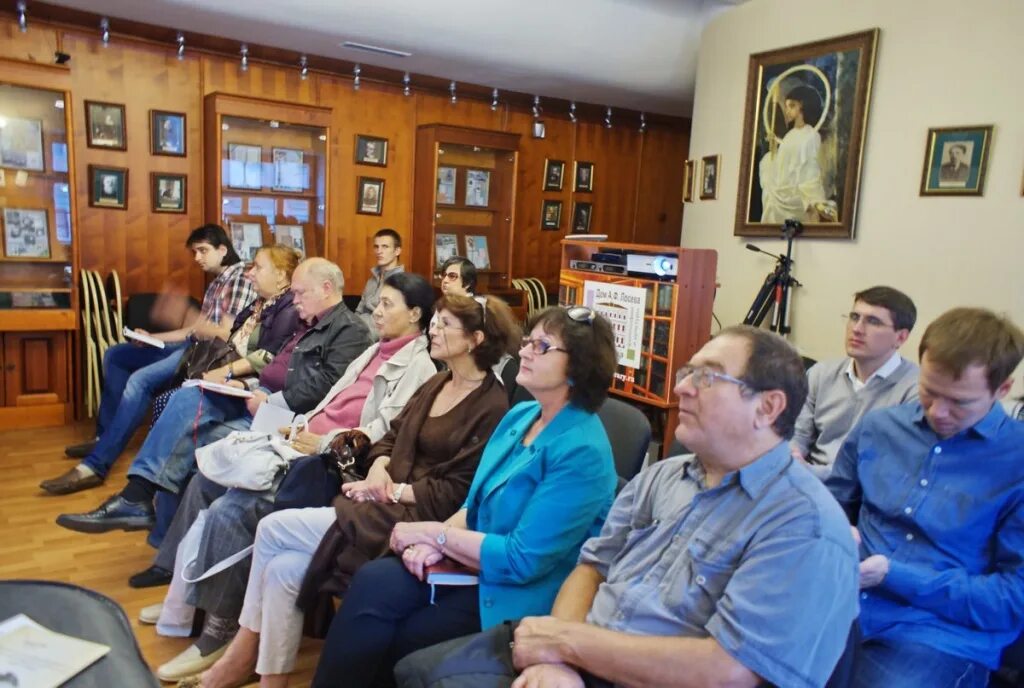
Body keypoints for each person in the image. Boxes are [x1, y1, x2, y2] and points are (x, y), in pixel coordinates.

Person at [397, 325, 859, 688]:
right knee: (414, 669)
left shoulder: (802, 524)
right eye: (687, 374)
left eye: (708, 376)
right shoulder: (663, 476)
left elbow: (729, 671)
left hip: (645, 673)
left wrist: (567, 645)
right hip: (585, 650)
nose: (683, 390)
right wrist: (562, 656)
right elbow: (591, 567)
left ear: (768, 407)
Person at [162, 293, 519, 686]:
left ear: (476, 340)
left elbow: (458, 492)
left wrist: (390, 491)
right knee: (282, 571)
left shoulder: (492, 406)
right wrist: (380, 469)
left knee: (272, 528)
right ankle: (270, 680)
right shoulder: (438, 383)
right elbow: (389, 438)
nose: (433, 329)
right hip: (380, 501)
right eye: (435, 321)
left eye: (445, 324)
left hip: (412, 521)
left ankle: (239, 654)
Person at [309, 305, 619, 688]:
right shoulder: (521, 415)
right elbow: (474, 504)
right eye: (527, 341)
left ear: (579, 367)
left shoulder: (581, 450)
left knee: (404, 635)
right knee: (373, 580)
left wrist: (436, 537)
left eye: (541, 346)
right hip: (471, 564)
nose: (523, 351)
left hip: (515, 591)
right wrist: (440, 541)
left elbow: (523, 561)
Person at [55, 257, 371, 534]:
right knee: (186, 400)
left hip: (286, 418)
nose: (295, 298)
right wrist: (247, 386)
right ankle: (142, 506)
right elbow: (274, 366)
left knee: (191, 432)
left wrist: (265, 397)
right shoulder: (309, 323)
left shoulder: (349, 329)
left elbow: (327, 385)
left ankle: (141, 505)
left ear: (326, 288)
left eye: (301, 292)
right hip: (258, 397)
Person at [826, 307, 1024, 688]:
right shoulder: (880, 428)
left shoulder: (1016, 461)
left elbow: (1013, 599)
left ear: (1002, 390)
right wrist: (836, 529)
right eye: (928, 392)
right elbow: (831, 508)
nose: (938, 412)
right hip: (839, 605)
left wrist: (894, 575)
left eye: (959, 402)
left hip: (938, 633)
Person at [43, 224, 256, 495]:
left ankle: (95, 466)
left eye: (203, 251)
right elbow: (193, 330)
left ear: (223, 250)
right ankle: (104, 437)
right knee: (117, 355)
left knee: (139, 380)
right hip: (192, 345)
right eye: (194, 252)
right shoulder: (216, 282)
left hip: (204, 355)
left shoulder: (238, 278)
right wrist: (155, 336)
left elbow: (226, 334)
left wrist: (190, 320)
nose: (197, 258)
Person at [792, 286, 919, 477]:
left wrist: (808, 473)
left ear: (900, 337)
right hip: (806, 481)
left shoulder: (916, 390)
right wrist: (792, 456)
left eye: (873, 322)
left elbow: (888, 469)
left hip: (863, 496)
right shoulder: (821, 374)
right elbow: (797, 434)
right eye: (854, 317)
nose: (857, 329)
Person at [758, 83, 836, 223]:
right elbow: (781, 163)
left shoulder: (811, 135)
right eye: (786, 106)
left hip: (799, 194)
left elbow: (809, 169)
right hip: (782, 191)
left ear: (803, 106)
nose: (787, 110)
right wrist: (773, 150)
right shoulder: (790, 135)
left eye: (792, 106)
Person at [355, 229, 405, 342]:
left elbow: (390, 324)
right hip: (357, 330)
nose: (379, 251)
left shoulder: (401, 283)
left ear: (397, 251)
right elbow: (359, 311)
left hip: (375, 337)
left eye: (385, 247)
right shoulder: (372, 280)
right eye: (376, 247)